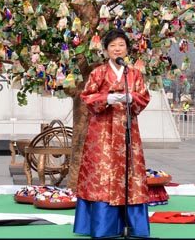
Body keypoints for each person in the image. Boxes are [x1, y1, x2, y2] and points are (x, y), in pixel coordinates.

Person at [74, 29, 151, 238]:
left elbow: (144, 97)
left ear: (127, 49)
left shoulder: (133, 73)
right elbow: (87, 96)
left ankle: (132, 226)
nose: (117, 49)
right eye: (113, 46)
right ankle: (102, 226)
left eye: (121, 45)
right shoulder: (98, 72)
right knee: (102, 173)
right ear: (106, 50)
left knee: (130, 173)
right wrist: (106, 99)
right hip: (102, 132)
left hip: (127, 130)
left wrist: (131, 98)